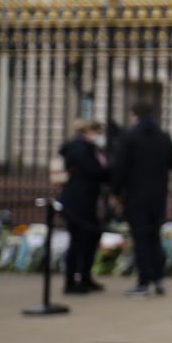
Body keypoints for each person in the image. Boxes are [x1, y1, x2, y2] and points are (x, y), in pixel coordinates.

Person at [110, 102, 172, 297]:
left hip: (136, 195)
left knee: (140, 239)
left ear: (134, 116)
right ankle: (158, 278)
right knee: (154, 237)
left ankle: (143, 281)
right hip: (158, 195)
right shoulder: (164, 137)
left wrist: (115, 192)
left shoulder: (129, 137)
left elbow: (120, 168)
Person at [58, 119, 109, 294]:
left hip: (87, 200)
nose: (100, 135)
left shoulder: (91, 149)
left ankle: (85, 276)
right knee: (77, 241)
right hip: (77, 201)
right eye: (97, 132)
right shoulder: (79, 148)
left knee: (91, 237)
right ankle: (71, 281)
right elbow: (96, 171)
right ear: (88, 132)